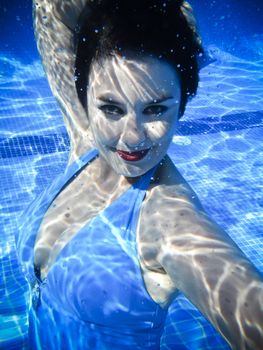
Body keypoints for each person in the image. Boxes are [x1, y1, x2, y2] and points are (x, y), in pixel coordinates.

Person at [16, 0, 263, 349]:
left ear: (183, 104)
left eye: (156, 109)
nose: (131, 137)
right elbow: (50, 8)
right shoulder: (86, 141)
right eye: (111, 108)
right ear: (83, 98)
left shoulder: (170, 222)